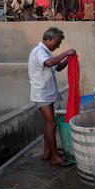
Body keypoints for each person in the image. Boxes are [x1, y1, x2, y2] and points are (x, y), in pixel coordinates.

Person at [28, 27, 76, 167]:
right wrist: (66, 52)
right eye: (57, 43)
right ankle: (54, 157)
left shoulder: (46, 52)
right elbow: (49, 63)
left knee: (48, 123)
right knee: (51, 123)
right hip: (41, 94)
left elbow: (57, 67)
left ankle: (47, 152)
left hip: (46, 93)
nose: (58, 46)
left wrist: (69, 58)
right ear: (49, 39)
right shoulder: (39, 52)